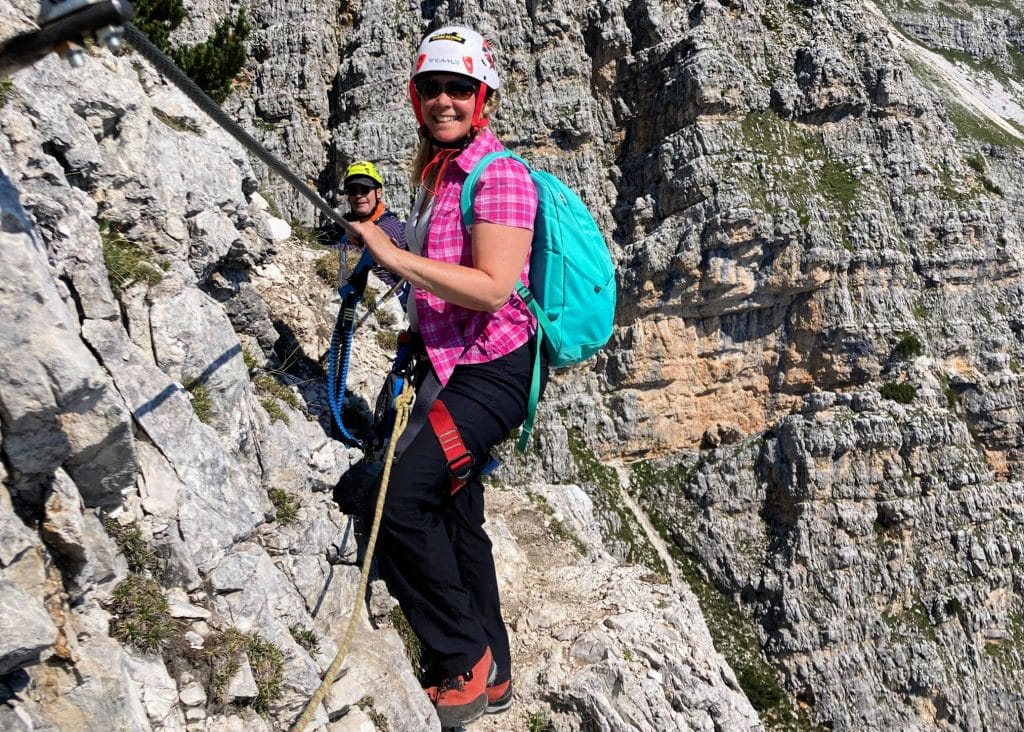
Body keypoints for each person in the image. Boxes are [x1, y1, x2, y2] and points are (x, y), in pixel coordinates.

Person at [347, 24, 545, 729]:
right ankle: (495, 668)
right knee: (457, 515)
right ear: (413, 94)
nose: (443, 100)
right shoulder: (437, 173)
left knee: (396, 501)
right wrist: (389, 242)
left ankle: (461, 659)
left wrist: (391, 259)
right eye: (430, 87)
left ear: (482, 96)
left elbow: (491, 287)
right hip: (449, 360)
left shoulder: (501, 177)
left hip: (491, 372)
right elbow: (444, 273)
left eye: (459, 88)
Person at [324, 160, 409, 305]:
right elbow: (321, 236)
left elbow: (365, 252)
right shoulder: (348, 221)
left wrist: (324, 250)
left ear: (378, 192)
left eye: (364, 189)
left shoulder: (390, 225)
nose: (358, 195)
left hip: (391, 302)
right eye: (352, 190)